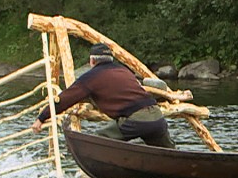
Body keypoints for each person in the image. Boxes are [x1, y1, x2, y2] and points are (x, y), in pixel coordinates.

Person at [30, 43, 176, 148]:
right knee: (169, 153)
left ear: (92, 61)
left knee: (97, 142)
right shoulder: (124, 71)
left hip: (136, 121)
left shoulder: (91, 77)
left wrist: (41, 118)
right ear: (111, 60)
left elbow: (64, 99)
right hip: (157, 117)